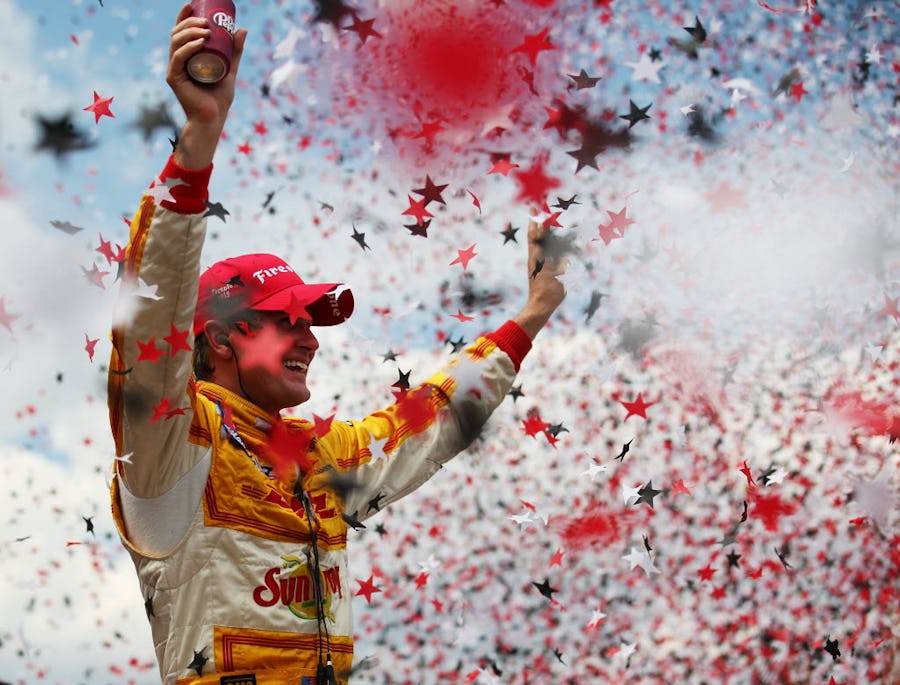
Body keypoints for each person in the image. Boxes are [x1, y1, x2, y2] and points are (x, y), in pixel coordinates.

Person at [107, 4, 566, 684]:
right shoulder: (170, 446)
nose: (310, 339)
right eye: (287, 320)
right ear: (220, 336)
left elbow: (432, 417)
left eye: (310, 323)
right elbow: (150, 318)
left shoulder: (317, 455)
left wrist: (533, 313)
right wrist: (201, 133)